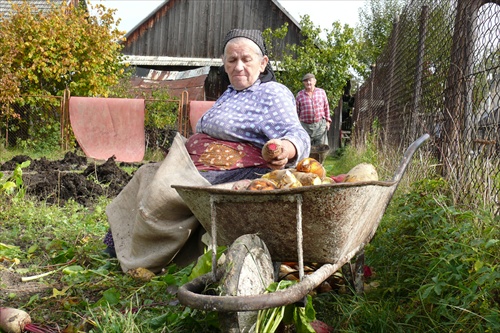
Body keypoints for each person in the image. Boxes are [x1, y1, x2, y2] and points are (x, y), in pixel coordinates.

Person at [103, 29, 311, 274]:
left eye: (246, 59)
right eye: (232, 60)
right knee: (146, 174)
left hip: (232, 173)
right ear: (224, 64)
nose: (239, 67)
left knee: (163, 189)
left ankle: (148, 257)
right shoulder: (230, 93)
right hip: (199, 167)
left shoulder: (272, 93)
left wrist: (286, 149)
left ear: (263, 63)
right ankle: (123, 246)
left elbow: (296, 132)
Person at [296, 73, 332, 146]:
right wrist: (297, 125)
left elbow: (326, 107)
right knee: (306, 148)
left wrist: (328, 121)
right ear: (303, 83)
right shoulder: (299, 95)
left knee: (321, 148)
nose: (308, 83)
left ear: (314, 81)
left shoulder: (321, 92)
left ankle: (321, 158)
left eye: (310, 80)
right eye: (306, 81)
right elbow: (296, 111)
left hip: (320, 125)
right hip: (305, 127)